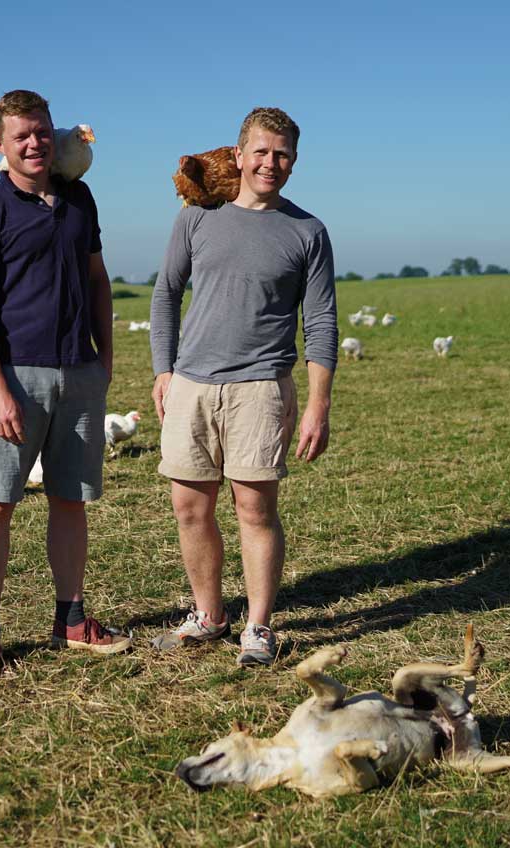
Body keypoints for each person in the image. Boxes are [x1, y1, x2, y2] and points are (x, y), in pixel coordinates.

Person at [147, 107, 337, 666]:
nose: (269, 163)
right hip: (191, 385)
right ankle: (208, 615)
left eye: (281, 154)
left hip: (261, 388)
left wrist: (318, 406)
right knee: (189, 507)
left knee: (254, 509)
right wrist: (164, 370)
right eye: (260, 151)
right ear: (238, 155)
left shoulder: (308, 231)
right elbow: (166, 294)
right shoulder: (195, 220)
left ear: (294, 162)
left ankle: (257, 627)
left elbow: (320, 323)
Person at [0, 89, 130, 679]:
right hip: (15, 378)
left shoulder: (80, 200)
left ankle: (72, 619)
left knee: (70, 501)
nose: (34, 143)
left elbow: (99, 281)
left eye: (42, 131)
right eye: (21, 135)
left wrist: (104, 360)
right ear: (0, 145)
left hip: (78, 373)